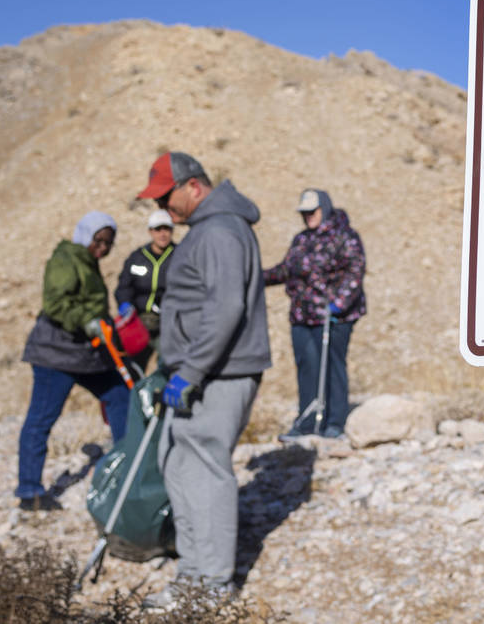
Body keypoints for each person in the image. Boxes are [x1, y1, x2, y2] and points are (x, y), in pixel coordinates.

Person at [136, 151, 272, 610]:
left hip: (219, 372)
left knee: (205, 470)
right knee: (178, 465)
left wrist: (190, 371)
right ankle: (193, 574)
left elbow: (225, 307)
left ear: (193, 186)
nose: (163, 208)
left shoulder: (219, 231)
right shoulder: (208, 230)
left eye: (166, 196)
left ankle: (212, 584)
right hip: (199, 371)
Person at [16, 211, 130, 512]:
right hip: (56, 353)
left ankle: (129, 465)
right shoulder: (66, 259)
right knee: (41, 418)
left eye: (108, 244)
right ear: (86, 235)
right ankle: (29, 490)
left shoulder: (87, 262)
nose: (103, 249)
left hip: (85, 354)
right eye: (99, 241)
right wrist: (88, 321)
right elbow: (56, 303)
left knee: (120, 397)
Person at [263, 188, 366, 440]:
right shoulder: (301, 240)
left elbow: (355, 270)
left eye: (313, 211)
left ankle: (334, 421)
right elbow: (286, 270)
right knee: (307, 366)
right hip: (302, 315)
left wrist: (338, 304)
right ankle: (307, 421)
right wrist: (257, 277)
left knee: (332, 366)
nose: (308, 216)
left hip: (334, 318)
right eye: (304, 212)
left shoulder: (345, 237)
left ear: (325, 209)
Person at [114, 208, 177, 375]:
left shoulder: (179, 256)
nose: (162, 234)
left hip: (168, 323)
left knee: (169, 366)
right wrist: (125, 305)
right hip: (140, 322)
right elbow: (124, 287)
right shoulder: (137, 257)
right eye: (158, 229)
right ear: (150, 231)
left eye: (166, 229)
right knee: (131, 367)